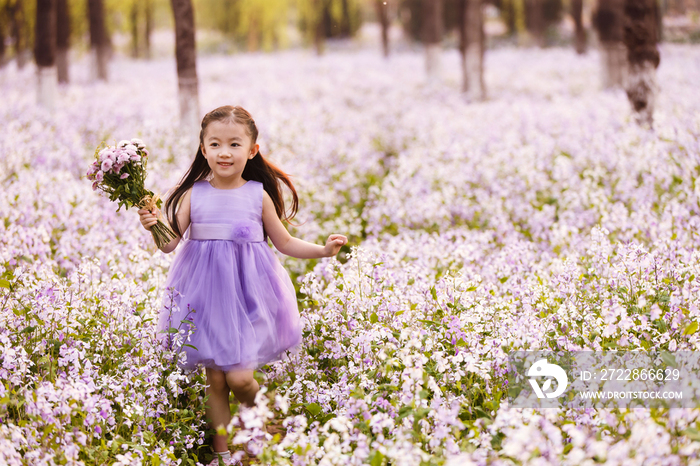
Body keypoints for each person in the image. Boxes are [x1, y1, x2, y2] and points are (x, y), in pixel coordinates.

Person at [138, 105, 347, 465]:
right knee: (215, 382)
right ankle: (224, 455)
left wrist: (323, 251)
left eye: (234, 144)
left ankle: (273, 423)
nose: (224, 152)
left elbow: (284, 242)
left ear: (252, 150)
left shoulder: (257, 195)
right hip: (203, 298)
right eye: (215, 144)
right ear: (203, 148)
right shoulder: (194, 195)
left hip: (250, 296)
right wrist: (154, 224)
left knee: (240, 379)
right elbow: (170, 243)